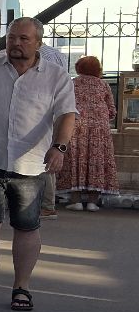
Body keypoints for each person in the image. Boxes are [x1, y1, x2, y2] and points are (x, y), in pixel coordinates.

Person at [0, 18, 76, 312]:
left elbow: (66, 114)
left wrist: (59, 147)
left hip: (31, 165)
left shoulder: (56, 76)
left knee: (26, 227)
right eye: (12, 37)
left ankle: (21, 288)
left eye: (24, 39)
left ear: (38, 43)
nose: (16, 43)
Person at [58, 56, 117, 211]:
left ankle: (76, 201)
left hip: (76, 126)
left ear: (79, 68)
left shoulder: (73, 83)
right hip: (99, 130)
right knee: (96, 161)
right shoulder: (103, 85)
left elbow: (64, 104)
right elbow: (112, 111)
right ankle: (92, 202)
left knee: (75, 160)